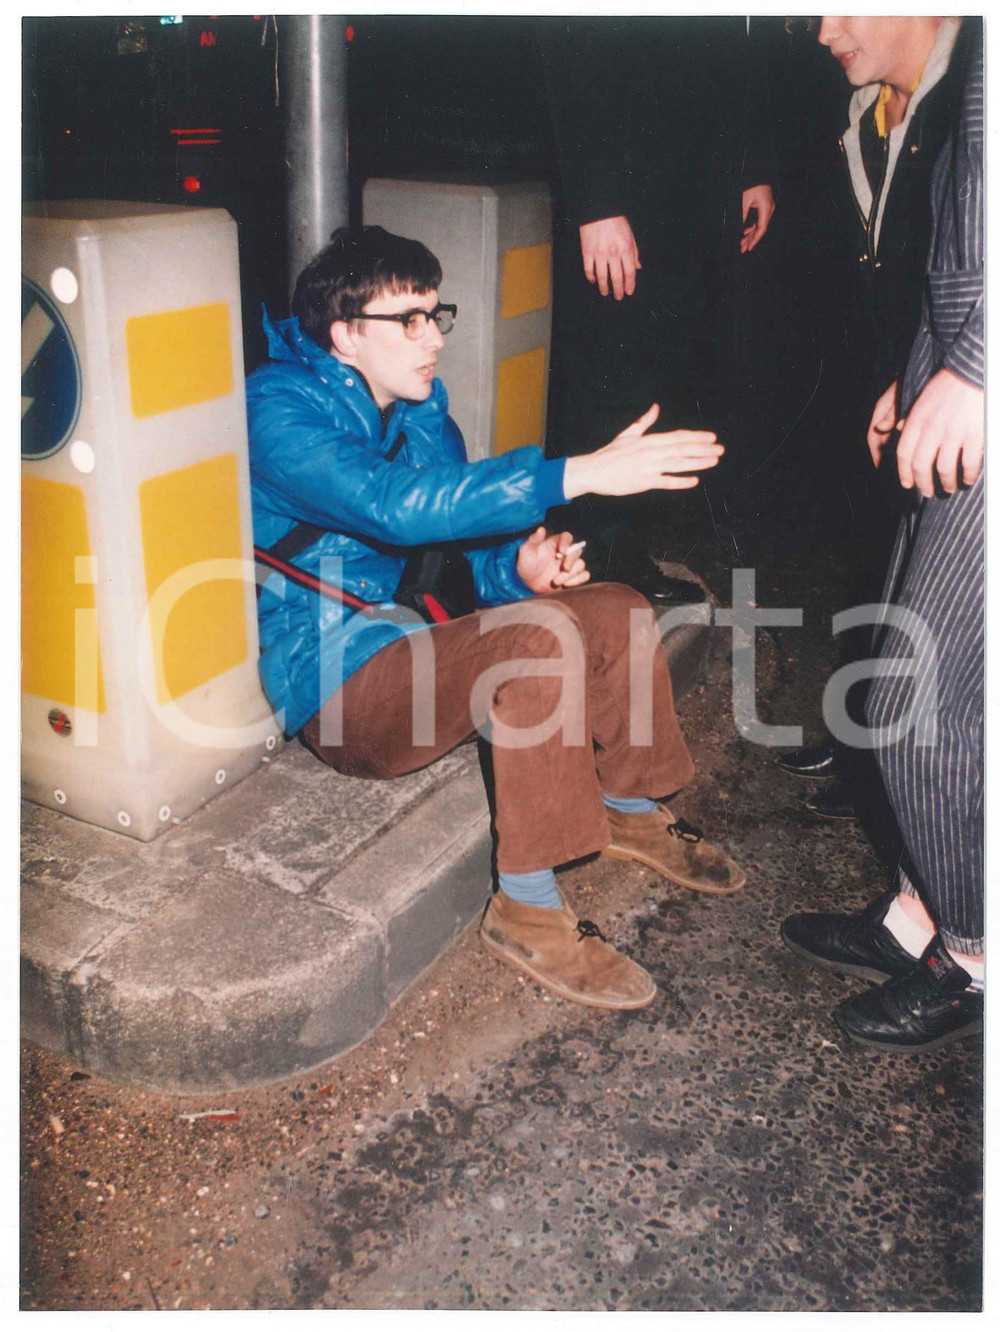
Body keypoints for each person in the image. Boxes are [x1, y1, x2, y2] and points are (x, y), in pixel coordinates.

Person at [246, 226, 747, 1012]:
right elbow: (394, 508)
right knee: (534, 645)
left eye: (433, 315)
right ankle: (526, 910)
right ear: (344, 336)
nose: (430, 339)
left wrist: (518, 569)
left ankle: (629, 807)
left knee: (617, 607)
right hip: (339, 687)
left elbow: (458, 549)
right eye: (404, 321)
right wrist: (577, 473)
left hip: (419, 646)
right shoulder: (277, 409)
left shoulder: (417, 416)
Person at [781, 22, 983, 1052]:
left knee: (927, 698)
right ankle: (919, 917)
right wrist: (916, 371)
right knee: (903, 664)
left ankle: (975, 951)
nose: (821, 29)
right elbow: (950, 256)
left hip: (975, 400)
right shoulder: (875, 111)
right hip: (935, 385)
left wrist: (979, 366)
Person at [537, 16, 777, 597]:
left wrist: (750, 168)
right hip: (624, 183)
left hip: (696, 184)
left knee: (663, 365)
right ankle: (594, 555)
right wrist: (595, 200)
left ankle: (623, 547)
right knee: (611, 366)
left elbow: (735, 44)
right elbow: (571, 43)